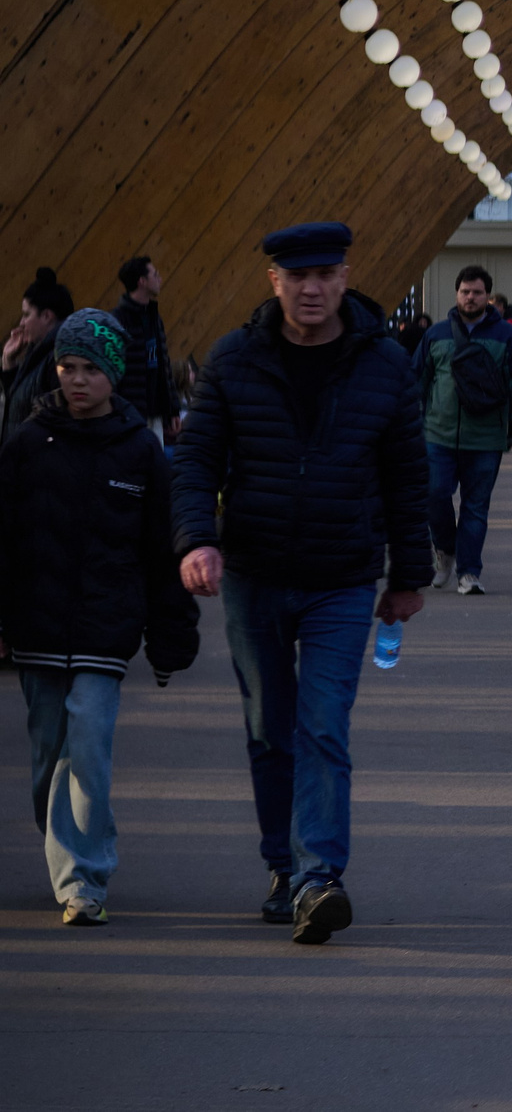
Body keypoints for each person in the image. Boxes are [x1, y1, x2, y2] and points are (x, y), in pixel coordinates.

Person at [172, 222, 429, 944]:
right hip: (254, 574)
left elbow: (409, 478)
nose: (311, 288)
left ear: (346, 277)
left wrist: (409, 575)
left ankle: (320, 876)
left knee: (322, 725)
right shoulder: (235, 360)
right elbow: (195, 462)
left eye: (324, 273)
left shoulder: (384, 365)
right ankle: (283, 865)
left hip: (342, 578)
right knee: (269, 728)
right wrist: (196, 539)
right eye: (297, 275)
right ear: (274, 282)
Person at [0, 309, 199, 925]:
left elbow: (159, 553)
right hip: (37, 628)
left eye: (91, 369)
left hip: (104, 631)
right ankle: (63, 845)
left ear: (113, 374)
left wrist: (171, 634)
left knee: (87, 746)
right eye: (67, 367)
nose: (78, 380)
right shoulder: (28, 446)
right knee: (46, 757)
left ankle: (84, 878)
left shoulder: (142, 452)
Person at [412, 267, 512, 596]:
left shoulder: (506, 337)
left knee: (475, 507)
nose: (470, 297)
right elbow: (415, 383)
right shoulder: (436, 335)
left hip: (486, 439)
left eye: (477, 292)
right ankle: (446, 551)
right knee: (433, 495)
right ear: (457, 295)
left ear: (488, 297)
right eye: (465, 292)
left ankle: (469, 572)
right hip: (438, 436)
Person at [109, 256, 181, 441]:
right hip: (129, 412)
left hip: (154, 411)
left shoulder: (154, 317)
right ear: (142, 281)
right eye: (155, 275)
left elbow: (163, 364)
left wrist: (173, 408)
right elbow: (113, 369)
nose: (160, 279)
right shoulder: (118, 320)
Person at [3, 266, 73, 437]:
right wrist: (8, 362)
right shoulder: (37, 350)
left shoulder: (60, 358)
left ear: (47, 316)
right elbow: (19, 403)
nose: (22, 322)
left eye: (26, 315)